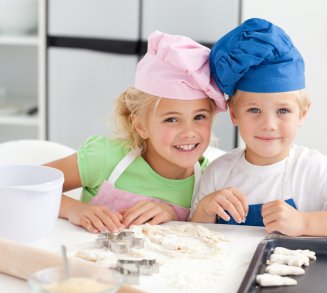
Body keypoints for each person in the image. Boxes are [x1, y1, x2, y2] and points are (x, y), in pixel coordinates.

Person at [190, 18, 327, 236]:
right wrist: (205, 209)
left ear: (303, 112)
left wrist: (305, 223)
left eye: (283, 111)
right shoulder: (218, 173)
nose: (269, 125)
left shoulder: (316, 171)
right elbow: (193, 236)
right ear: (234, 113)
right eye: (254, 110)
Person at [46, 31, 226, 234]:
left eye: (199, 117)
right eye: (171, 119)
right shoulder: (105, 158)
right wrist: (75, 210)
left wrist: (172, 215)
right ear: (140, 125)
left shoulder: (211, 180)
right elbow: (20, 186)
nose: (188, 132)